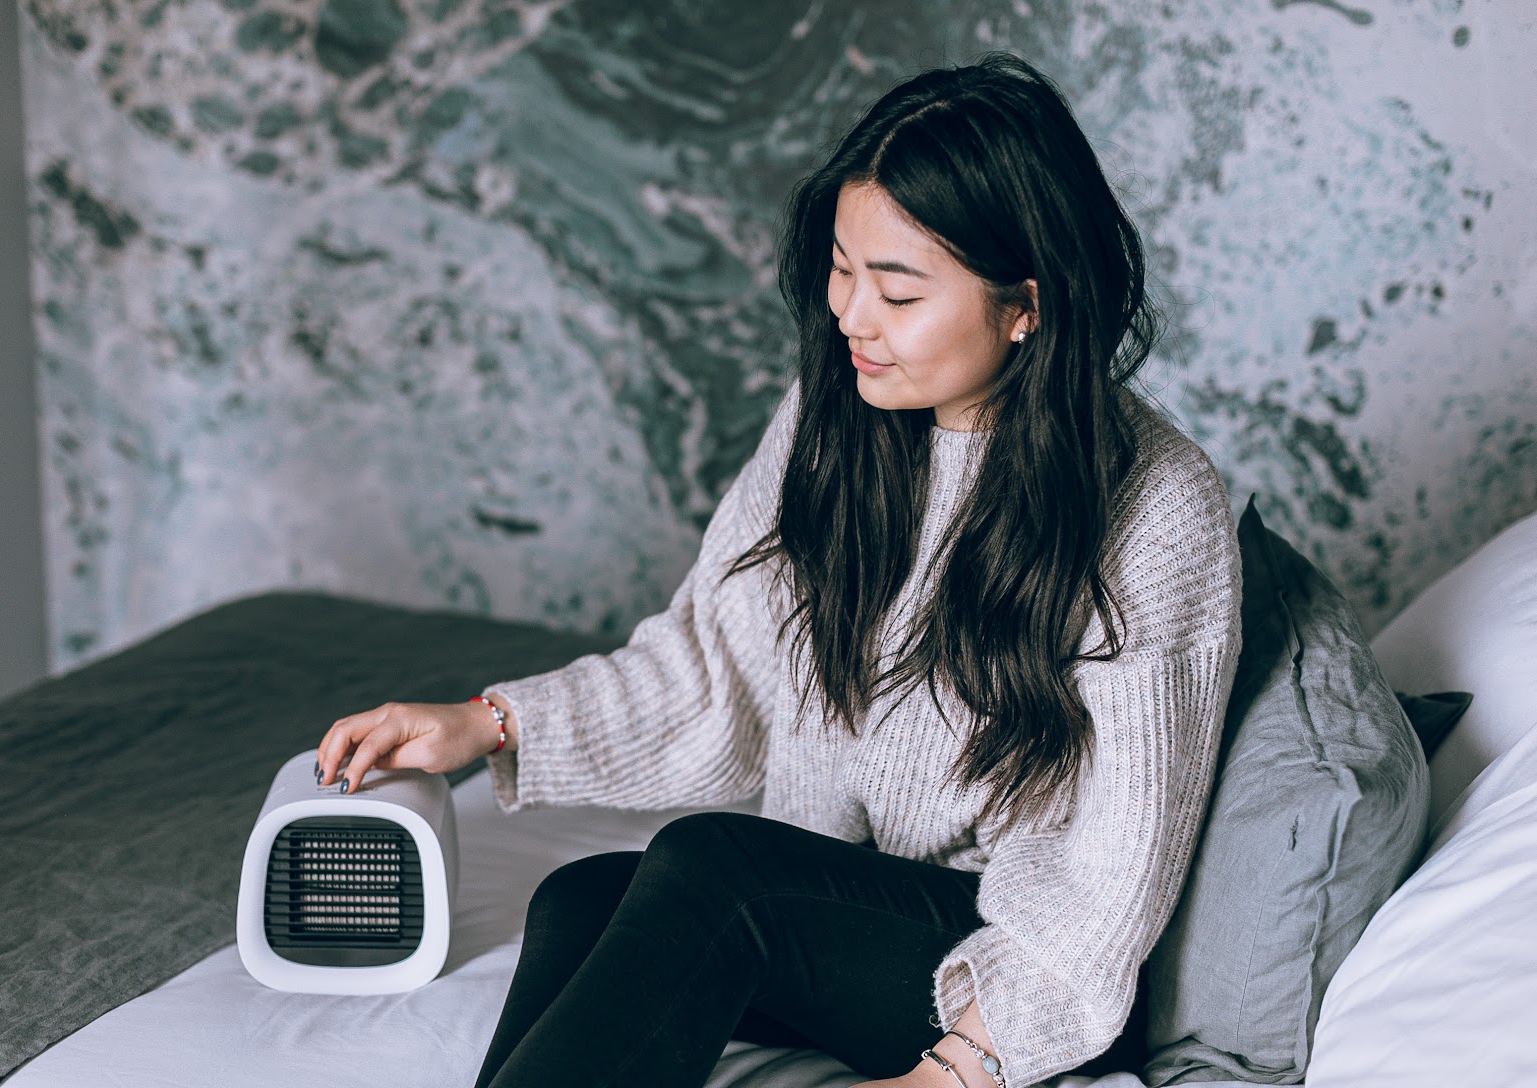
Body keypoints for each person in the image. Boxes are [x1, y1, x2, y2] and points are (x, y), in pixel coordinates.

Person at [314, 52, 1241, 1088]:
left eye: (896, 290)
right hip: (847, 910)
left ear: (1025, 303)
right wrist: (487, 722)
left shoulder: (1158, 504)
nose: (852, 316)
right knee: (584, 898)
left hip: (1013, 965)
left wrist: (960, 1067)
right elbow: (718, 670)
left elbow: (1115, 868)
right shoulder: (836, 414)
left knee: (717, 868)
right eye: (842, 270)